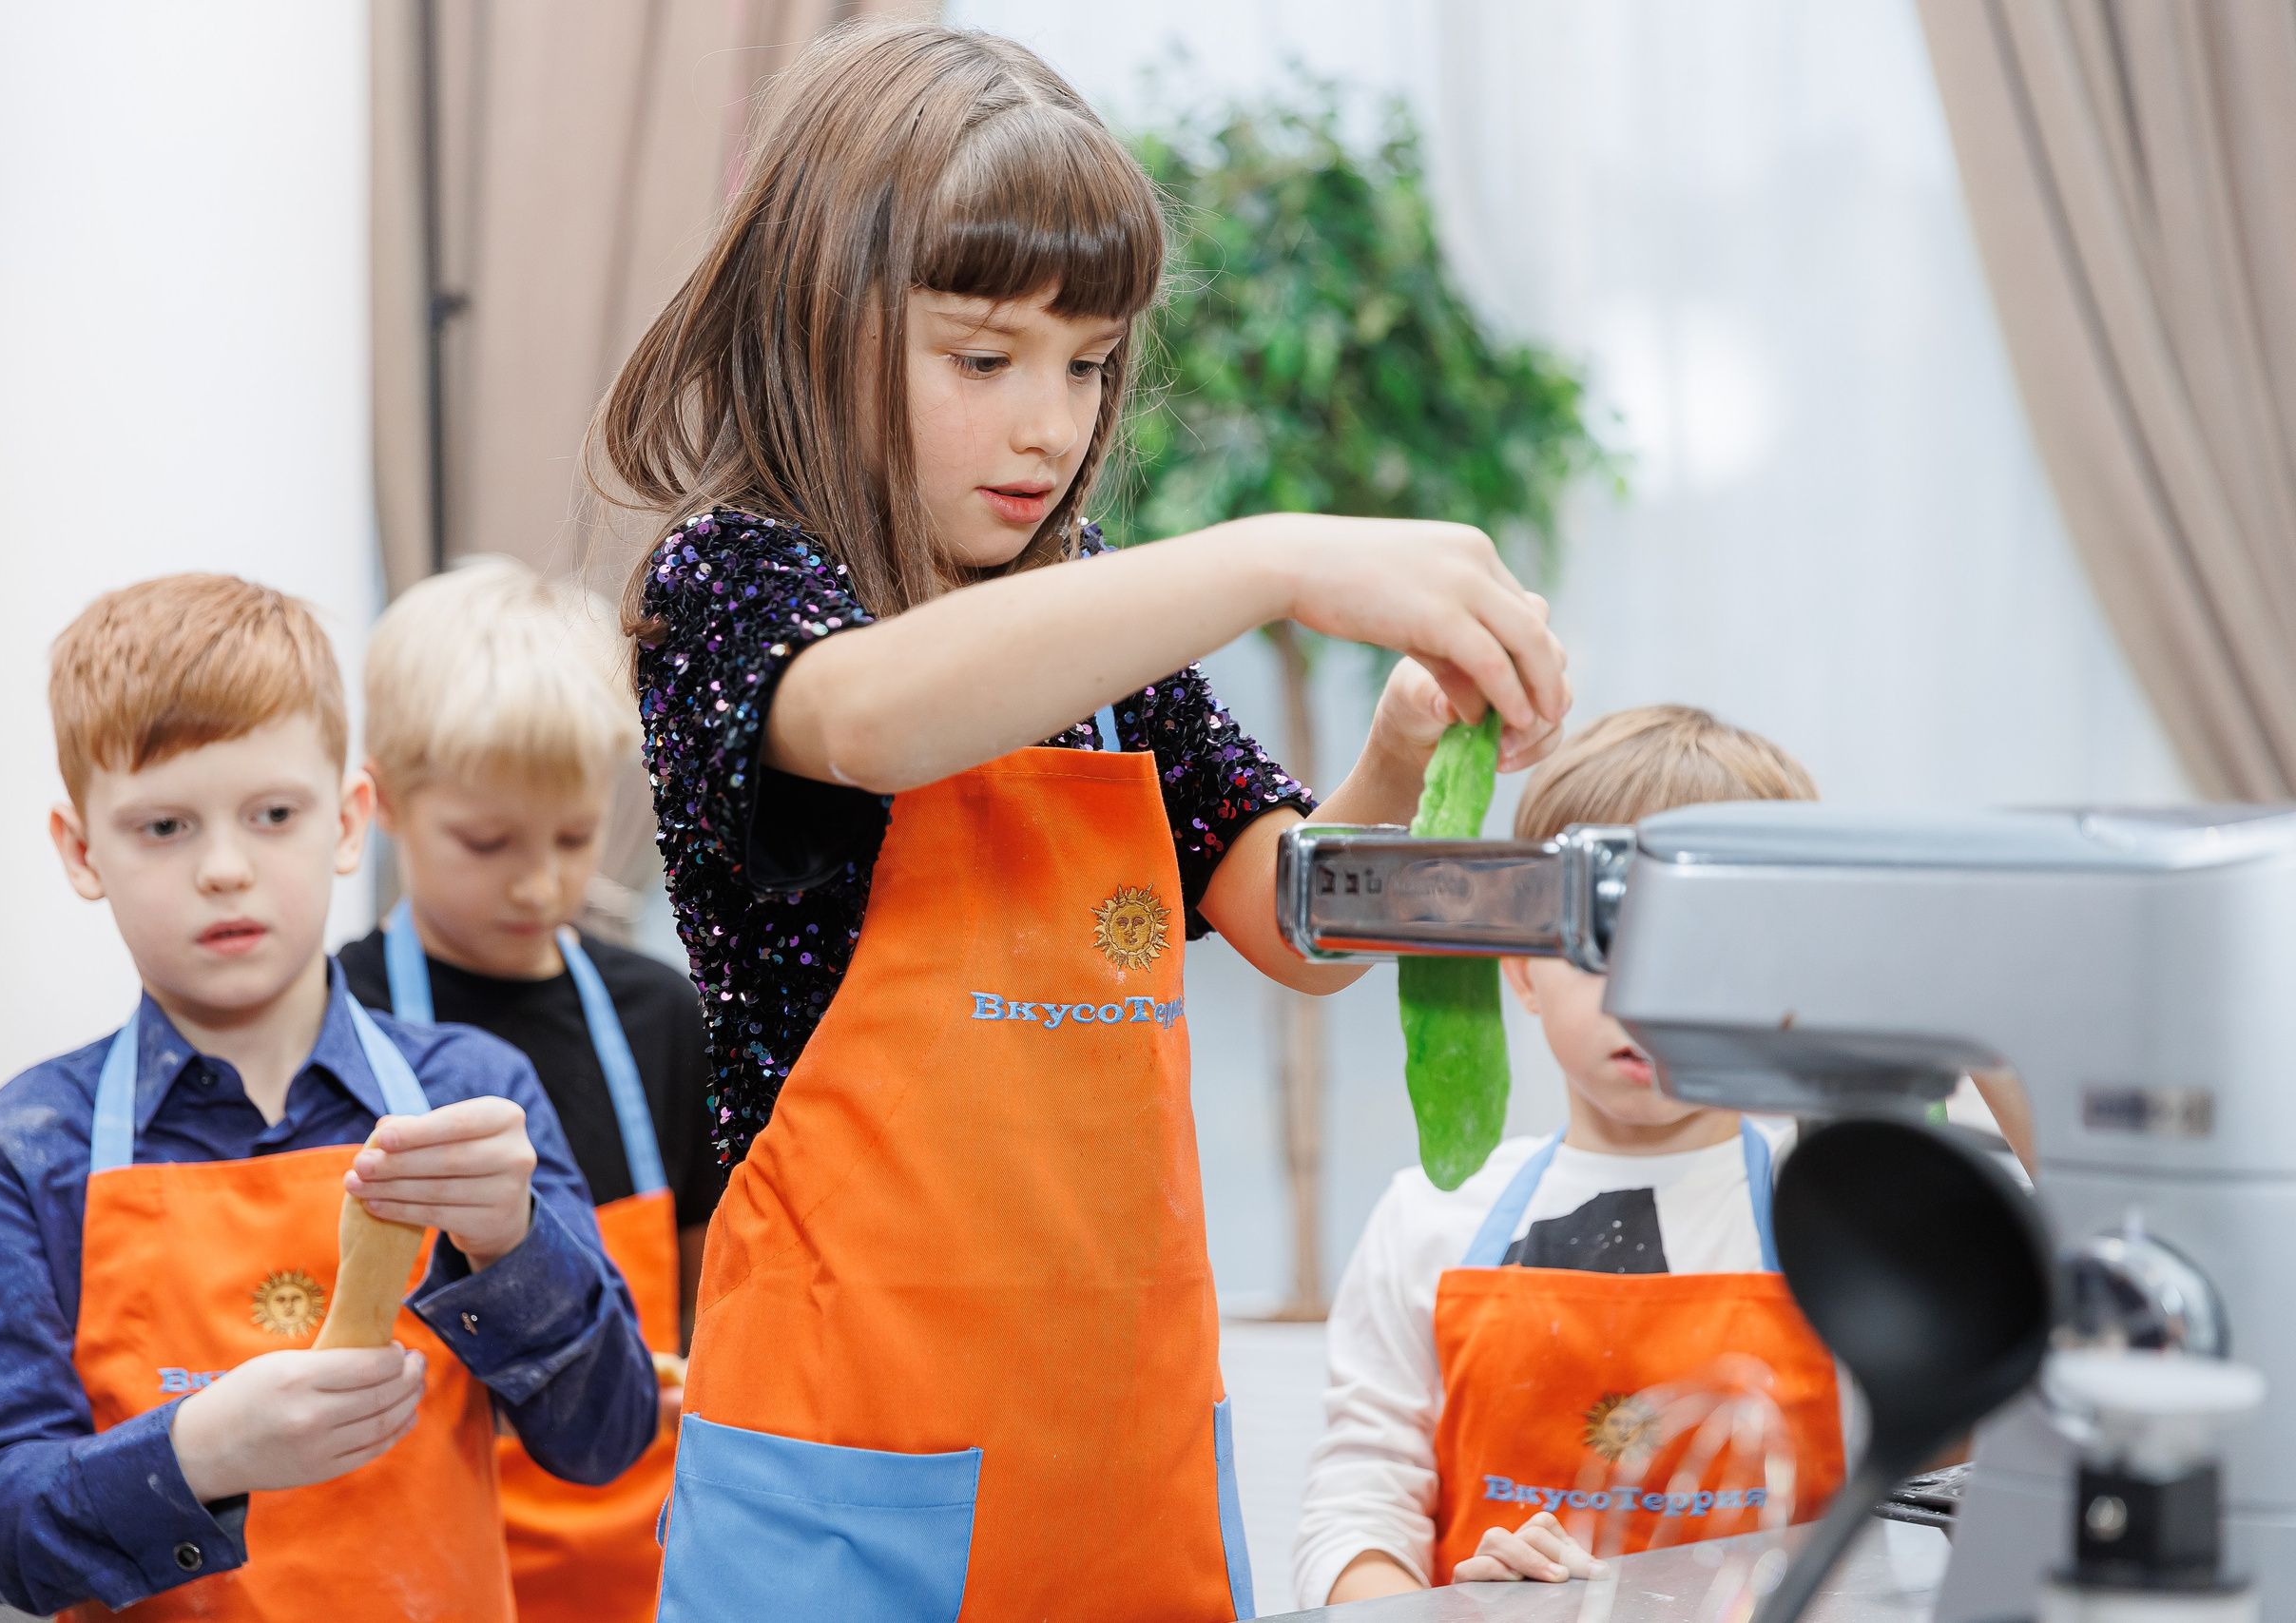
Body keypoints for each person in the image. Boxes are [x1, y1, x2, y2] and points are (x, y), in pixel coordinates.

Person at [595, 20, 1572, 1623]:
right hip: (845, 1490)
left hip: (1122, 1478)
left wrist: (1401, 756)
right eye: (985, 359)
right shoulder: (741, 586)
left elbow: (1298, 923)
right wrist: (1269, 558)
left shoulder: (1098, 626)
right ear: (818, 318)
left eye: (1090, 363)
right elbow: (874, 716)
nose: (1050, 426)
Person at [0, 575, 657, 1620]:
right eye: (163, 827)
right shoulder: (22, 1151)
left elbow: (609, 1440)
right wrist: (200, 1452)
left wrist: (511, 1243)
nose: (225, 869)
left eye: (274, 814)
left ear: (351, 820)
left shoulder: (471, 1092)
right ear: (82, 851)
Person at [1297, 707, 1846, 1607]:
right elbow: (1358, 1508)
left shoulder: (1843, 1219)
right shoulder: (1427, 1222)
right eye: (1605, 942)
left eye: (1703, 952)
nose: (1647, 998)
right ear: (1521, 966)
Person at [335, 556, 722, 1623]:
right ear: (384, 804)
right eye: (487, 841)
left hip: (648, 1565)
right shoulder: (338, 1025)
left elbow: (704, 1299)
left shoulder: (661, 1017)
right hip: (426, 1565)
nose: (538, 882)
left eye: (570, 837)